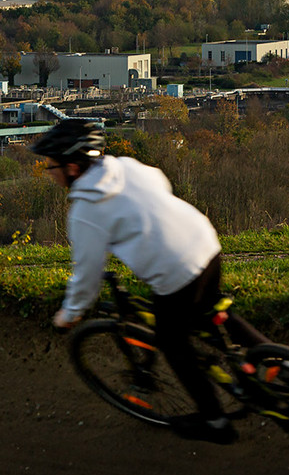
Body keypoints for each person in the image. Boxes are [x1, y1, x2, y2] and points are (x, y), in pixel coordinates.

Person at [32, 117, 266, 444]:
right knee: (210, 308)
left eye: (51, 165)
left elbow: (86, 273)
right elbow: (160, 183)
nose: (49, 171)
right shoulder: (126, 166)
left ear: (72, 167)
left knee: (172, 343)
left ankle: (215, 422)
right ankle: (273, 361)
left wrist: (70, 314)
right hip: (205, 242)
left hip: (175, 273)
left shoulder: (86, 210)